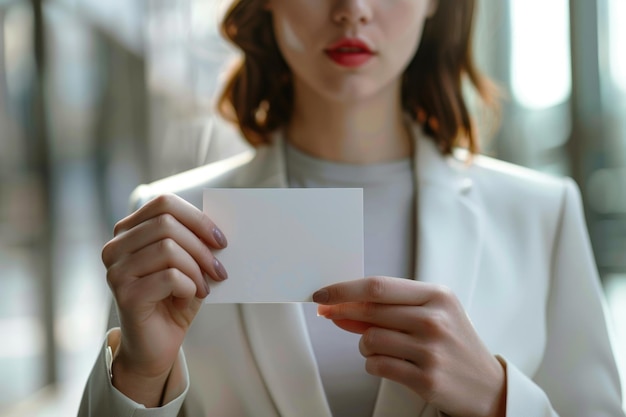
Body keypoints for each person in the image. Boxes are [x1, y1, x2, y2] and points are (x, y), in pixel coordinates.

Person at [78, 0, 625, 416]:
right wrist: (139, 372)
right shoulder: (167, 223)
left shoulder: (541, 214)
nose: (352, 10)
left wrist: (498, 396)